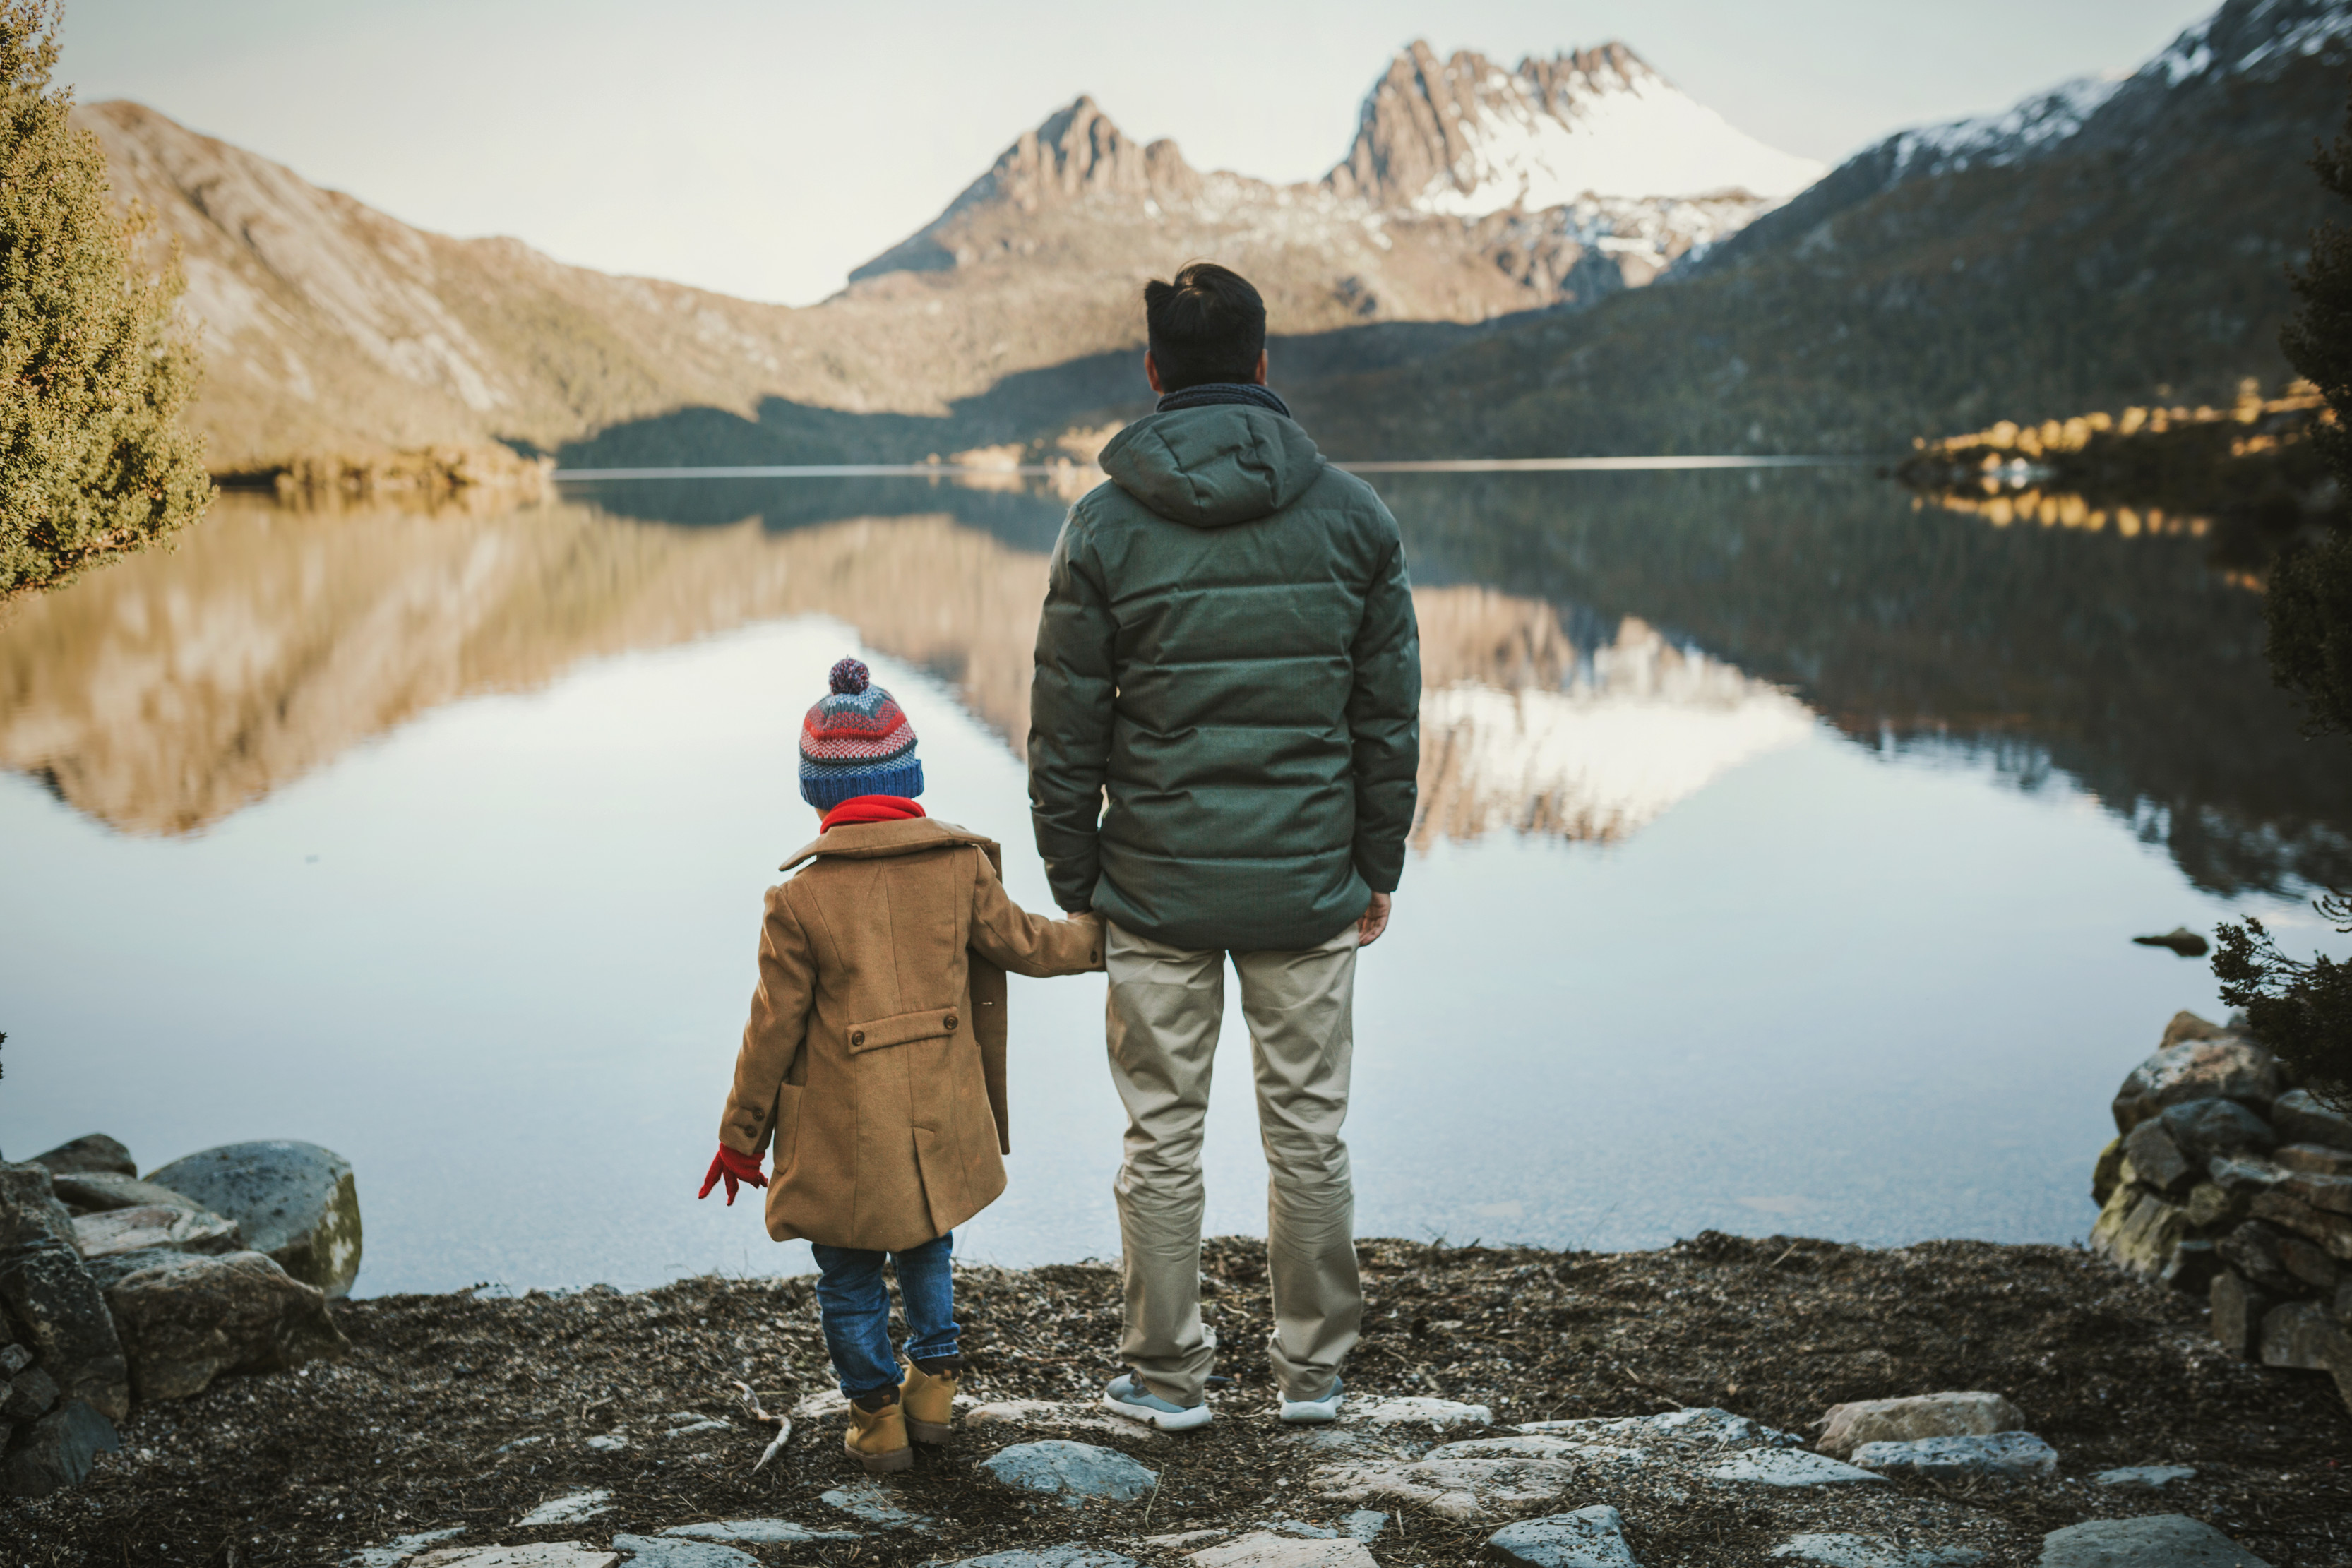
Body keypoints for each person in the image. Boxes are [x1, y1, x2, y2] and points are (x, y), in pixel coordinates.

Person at [1027, 261, 1421, 1432]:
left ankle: (1167, 1378)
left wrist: (1074, 881)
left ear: (1153, 373)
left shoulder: (1102, 521)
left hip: (1152, 887)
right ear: (1264, 366)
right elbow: (1385, 720)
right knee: (1307, 1134)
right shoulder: (1354, 515)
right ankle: (1312, 1376)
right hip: (1308, 887)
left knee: (1161, 1135)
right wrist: (1377, 864)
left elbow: (1065, 724)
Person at [699, 657, 1105, 1473]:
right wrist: (1114, 936)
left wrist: (740, 1139)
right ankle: (935, 1388)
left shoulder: (799, 900)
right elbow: (1030, 944)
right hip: (937, 1117)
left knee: (847, 1276)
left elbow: (771, 1031)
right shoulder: (958, 867)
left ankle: (877, 1418)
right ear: (909, 774)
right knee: (927, 1246)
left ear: (818, 795)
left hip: (842, 1133)